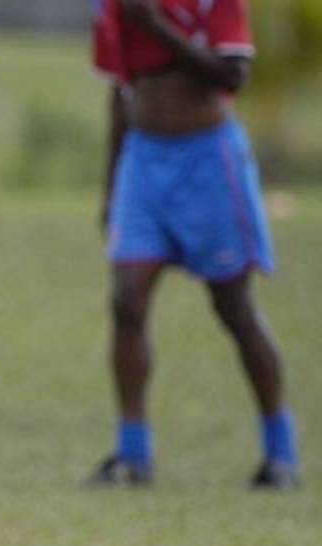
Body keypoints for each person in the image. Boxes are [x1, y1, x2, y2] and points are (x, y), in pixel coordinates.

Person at [89, 0, 299, 488]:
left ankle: (281, 452)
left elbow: (232, 76)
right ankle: (133, 455)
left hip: (208, 158)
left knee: (234, 306)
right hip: (143, 160)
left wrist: (155, 26)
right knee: (126, 300)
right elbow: (120, 91)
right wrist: (112, 185)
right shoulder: (115, 6)